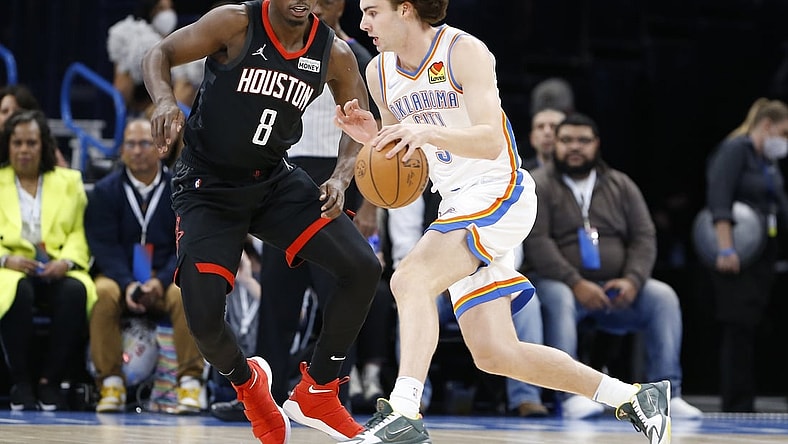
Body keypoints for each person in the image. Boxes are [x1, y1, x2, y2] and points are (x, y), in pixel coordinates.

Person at [334, 2, 672, 443]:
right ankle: (634, 396)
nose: (363, 24)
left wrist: (426, 132)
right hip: (455, 203)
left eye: (372, 12)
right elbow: (407, 158)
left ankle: (404, 412)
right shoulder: (379, 72)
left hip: (499, 188)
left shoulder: (462, 51)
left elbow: (490, 139)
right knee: (495, 353)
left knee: (409, 279)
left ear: (405, 9)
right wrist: (373, 140)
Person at [141, 1, 381, 443]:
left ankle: (319, 391)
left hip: (272, 180)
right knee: (205, 324)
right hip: (207, 186)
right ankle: (248, 384)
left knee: (363, 267)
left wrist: (341, 176)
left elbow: (360, 121)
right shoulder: (236, 22)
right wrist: (164, 100)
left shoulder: (334, 52)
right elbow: (159, 53)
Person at [521, 112, 702, 420]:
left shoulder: (621, 184)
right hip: (561, 285)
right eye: (566, 140)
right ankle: (571, 394)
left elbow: (644, 236)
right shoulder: (539, 184)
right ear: (556, 145)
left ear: (597, 144)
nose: (574, 147)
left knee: (663, 297)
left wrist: (632, 280)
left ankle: (666, 395)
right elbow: (538, 242)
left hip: (616, 289)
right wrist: (575, 282)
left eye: (583, 141)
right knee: (560, 298)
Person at [84, 117, 205, 414]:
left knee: (185, 293)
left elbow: (186, 242)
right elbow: (103, 246)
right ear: (122, 149)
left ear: (161, 148)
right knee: (101, 293)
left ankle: (190, 383)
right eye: (130, 144)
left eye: (144, 143)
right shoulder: (105, 191)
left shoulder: (180, 189)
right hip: (119, 277)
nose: (137, 150)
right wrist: (128, 283)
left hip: (166, 275)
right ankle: (111, 382)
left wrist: (160, 280)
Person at [0, 109, 97, 411]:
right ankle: (20, 382)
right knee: (17, 291)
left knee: (75, 291)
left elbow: (79, 232)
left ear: (43, 145)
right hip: (11, 268)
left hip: (56, 266)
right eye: (17, 143)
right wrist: (6, 259)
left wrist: (65, 262)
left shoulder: (69, 181)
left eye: (31, 143)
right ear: (8, 146)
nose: (24, 150)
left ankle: (49, 381)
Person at [704, 99, 788, 412]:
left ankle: (748, 398)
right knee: (737, 326)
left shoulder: (767, 160)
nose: (785, 141)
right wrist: (726, 247)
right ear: (766, 125)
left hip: (763, 253)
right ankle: (736, 402)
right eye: (784, 132)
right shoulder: (735, 150)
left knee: (753, 325)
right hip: (737, 253)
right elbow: (719, 198)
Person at [0, 84, 69, 168]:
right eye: (4, 111)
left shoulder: (46, 146)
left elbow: (62, 172)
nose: (10, 116)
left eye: (17, 111)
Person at [522, 107, 565, 171]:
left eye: (553, 126)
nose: (547, 132)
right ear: (532, 138)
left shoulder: (576, 171)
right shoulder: (520, 172)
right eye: (540, 127)